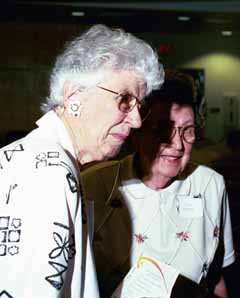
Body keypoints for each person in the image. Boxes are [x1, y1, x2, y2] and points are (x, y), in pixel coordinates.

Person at [0, 24, 163, 298]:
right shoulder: (49, 174)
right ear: (74, 95)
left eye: (139, 107)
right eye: (124, 100)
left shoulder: (38, 155)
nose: (136, 121)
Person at [82, 69, 235, 297]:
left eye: (188, 131)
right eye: (162, 130)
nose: (178, 145)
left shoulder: (210, 185)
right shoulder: (93, 186)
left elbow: (215, 278)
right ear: (138, 130)